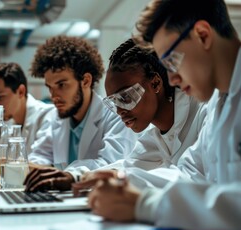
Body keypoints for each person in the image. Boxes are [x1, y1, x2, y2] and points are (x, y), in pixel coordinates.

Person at [87, 0, 241, 230]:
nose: (171, 80)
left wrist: (145, 205)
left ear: (202, 35)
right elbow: (190, 173)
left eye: (171, 62)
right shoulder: (220, 102)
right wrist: (123, 184)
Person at [73, 38, 206, 191]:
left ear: (155, 83)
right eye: (114, 102)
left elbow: (193, 176)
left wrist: (120, 179)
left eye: (125, 97)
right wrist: (75, 177)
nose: (119, 111)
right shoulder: (156, 133)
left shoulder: (203, 113)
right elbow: (129, 166)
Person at [24, 36, 138, 192]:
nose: (53, 96)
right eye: (50, 87)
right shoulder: (57, 117)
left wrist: (69, 174)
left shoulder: (116, 114)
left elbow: (112, 164)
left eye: (61, 85)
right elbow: (40, 155)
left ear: (85, 81)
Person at [0, 62, 54, 154]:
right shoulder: (8, 124)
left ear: (20, 91)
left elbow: (41, 161)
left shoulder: (47, 116)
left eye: (0, 97)